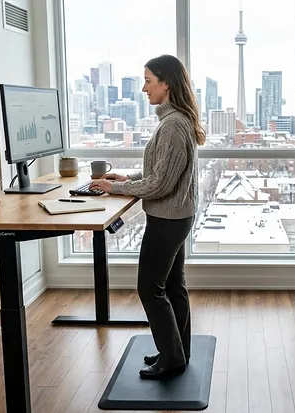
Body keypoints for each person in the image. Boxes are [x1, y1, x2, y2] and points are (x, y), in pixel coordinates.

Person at [89, 54, 205, 380]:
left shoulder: (172, 126)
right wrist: (126, 179)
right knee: (173, 285)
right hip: (178, 217)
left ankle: (171, 358)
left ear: (165, 83)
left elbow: (159, 184)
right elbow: (159, 172)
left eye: (148, 80)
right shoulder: (175, 121)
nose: (143, 88)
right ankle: (177, 350)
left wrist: (115, 190)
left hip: (168, 220)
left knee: (149, 288)